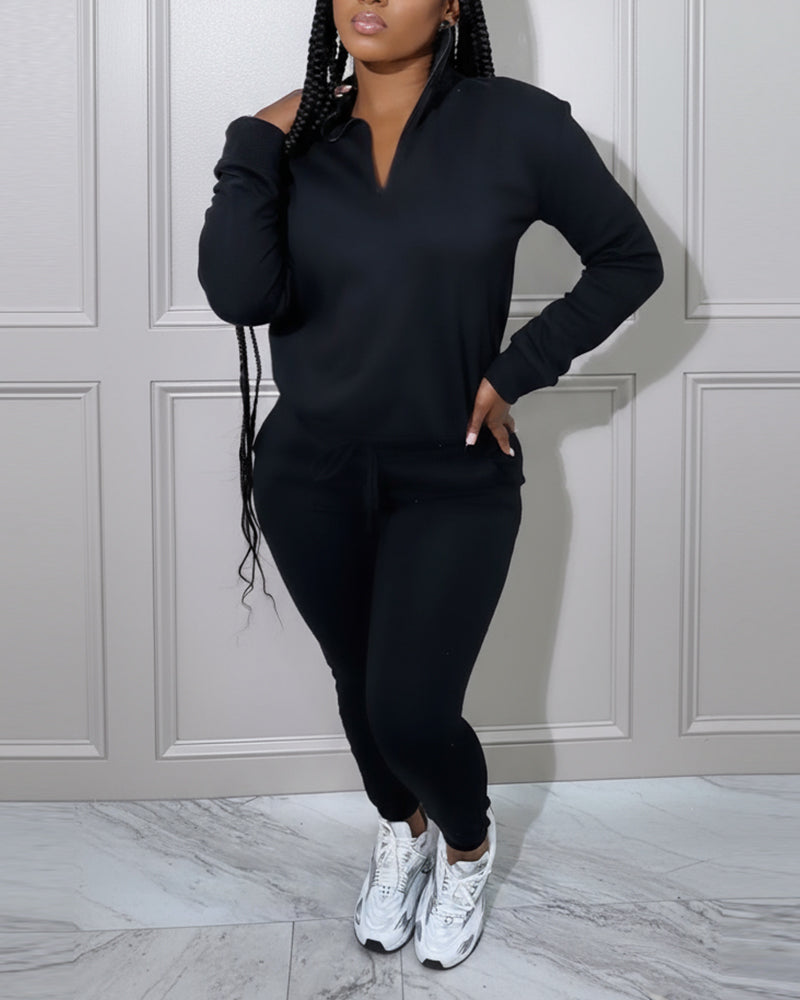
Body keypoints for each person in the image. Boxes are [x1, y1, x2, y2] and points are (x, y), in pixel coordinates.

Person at [197, 0, 664, 971]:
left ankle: (465, 848)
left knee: (410, 707)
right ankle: (399, 831)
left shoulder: (517, 124)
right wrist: (253, 138)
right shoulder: (295, 141)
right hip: (307, 473)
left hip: (453, 473)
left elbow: (628, 260)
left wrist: (513, 371)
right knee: (359, 686)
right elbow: (240, 294)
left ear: (452, 3)